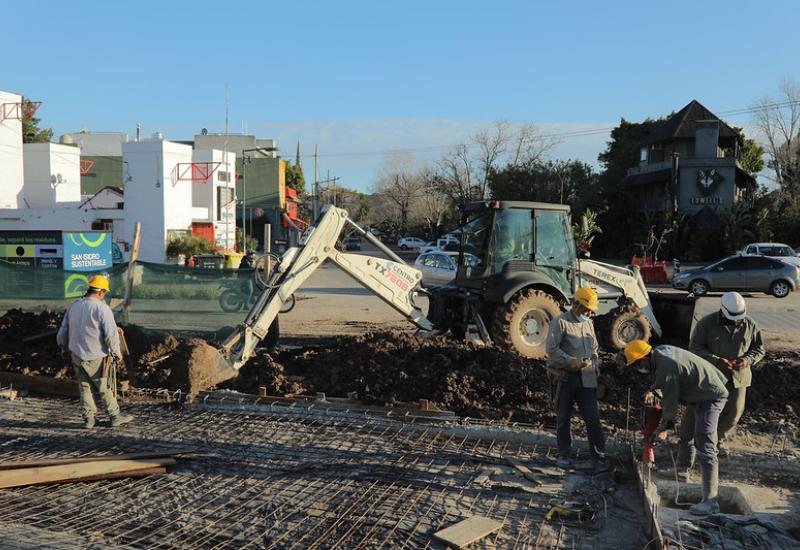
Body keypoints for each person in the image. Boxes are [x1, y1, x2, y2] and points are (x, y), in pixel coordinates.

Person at [624, 340, 728, 515]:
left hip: (710, 396)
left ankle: (711, 502)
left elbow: (670, 402)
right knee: (686, 433)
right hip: (699, 392)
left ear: (643, 359)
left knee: (705, 446)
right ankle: (681, 471)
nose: (638, 369)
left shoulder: (665, 367)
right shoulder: (661, 352)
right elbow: (671, 380)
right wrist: (653, 389)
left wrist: (664, 428)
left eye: (637, 365)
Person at [689, 292, 765, 457]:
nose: (736, 320)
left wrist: (747, 360)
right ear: (722, 310)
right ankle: (702, 441)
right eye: (732, 317)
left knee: (734, 413)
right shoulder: (706, 324)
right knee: (707, 412)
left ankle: (719, 439)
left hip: (739, 376)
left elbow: (759, 348)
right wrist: (717, 360)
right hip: (712, 376)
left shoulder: (750, 324)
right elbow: (695, 348)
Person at [56, 275, 133, 430]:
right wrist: (117, 352)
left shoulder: (75, 306)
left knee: (84, 387)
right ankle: (115, 416)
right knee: (104, 387)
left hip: (77, 354)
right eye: (104, 293)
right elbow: (111, 334)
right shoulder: (102, 308)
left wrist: (63, 348)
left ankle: (89, 419)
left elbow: (63, 331)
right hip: (96, 355)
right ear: (101, 292)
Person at [545, 286, 606, 471]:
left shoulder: (588, 323)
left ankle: (599, 455)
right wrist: (572, 362)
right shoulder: (560, 322)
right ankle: (564, 454)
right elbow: (552, 351)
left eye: (591, 310)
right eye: (587, 309)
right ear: (577, 304)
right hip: (565, 378)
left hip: (586, 377)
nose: (589, 313)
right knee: (564, 417)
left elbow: (594, 349)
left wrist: (596, 368)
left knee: (593, 417)